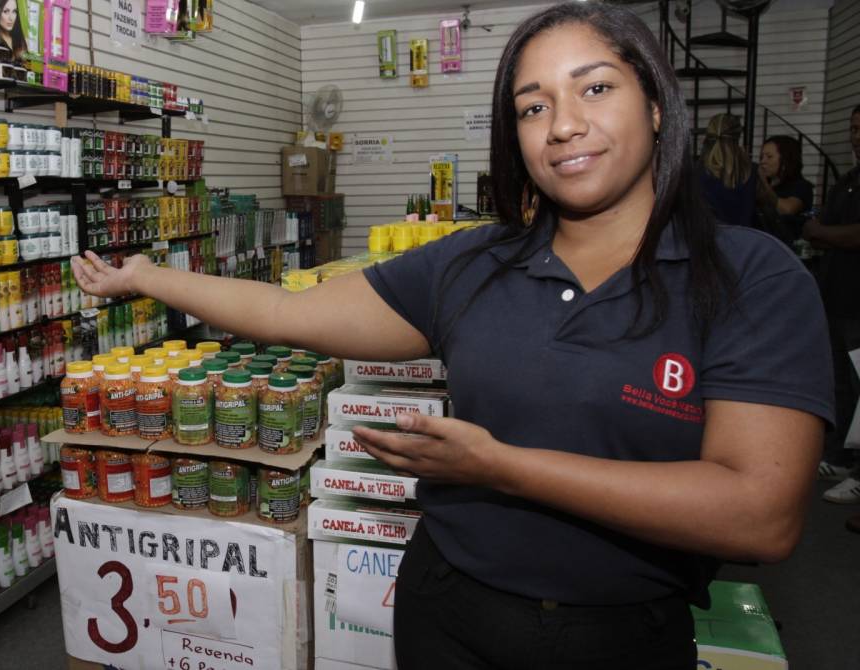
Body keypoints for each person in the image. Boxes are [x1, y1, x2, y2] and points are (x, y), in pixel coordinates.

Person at [74, 3, 832, 667]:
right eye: (532, 107)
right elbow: (284, 311)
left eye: (595, 87)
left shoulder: (747, 276)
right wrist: (146, 275)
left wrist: (502, 467)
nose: (563, 124)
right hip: (448, 616)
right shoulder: (472, 262)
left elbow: (760, 514)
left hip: (624, 633)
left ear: (657, 106)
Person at [803, 104, 860, 505]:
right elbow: (816, 228)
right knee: (841, 385)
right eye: (854, 128)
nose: (857, 135)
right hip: (837, 297)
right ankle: (840, 456)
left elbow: (848, 236)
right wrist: (825, 231)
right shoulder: (850, 180)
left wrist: (826, 232)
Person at [698, 113, 787, 241]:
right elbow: (772, 205)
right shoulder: (752, 171)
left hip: (709, 247)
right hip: (745, 247)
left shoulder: (695, 173)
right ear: (738, 136)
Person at [759, 135, 815, 237]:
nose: (763, 161)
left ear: (785, 159)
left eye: (769, 157)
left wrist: (763, 185)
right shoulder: (767, 184)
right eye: (762, 157)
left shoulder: (801, 186)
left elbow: (788, 209)